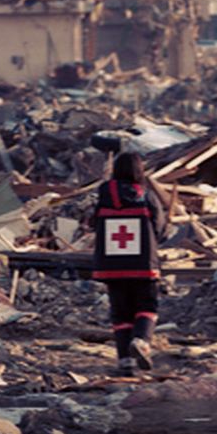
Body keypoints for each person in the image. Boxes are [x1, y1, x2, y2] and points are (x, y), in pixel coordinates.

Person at [92, 152, 165, 375]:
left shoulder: (103, 195)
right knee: (146, 306)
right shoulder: (147, 196)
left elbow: (93, 223)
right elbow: (159, 226)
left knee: (120, 313)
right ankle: (142, 341)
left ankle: (125, 361)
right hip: (143, 263)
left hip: (111, 265)